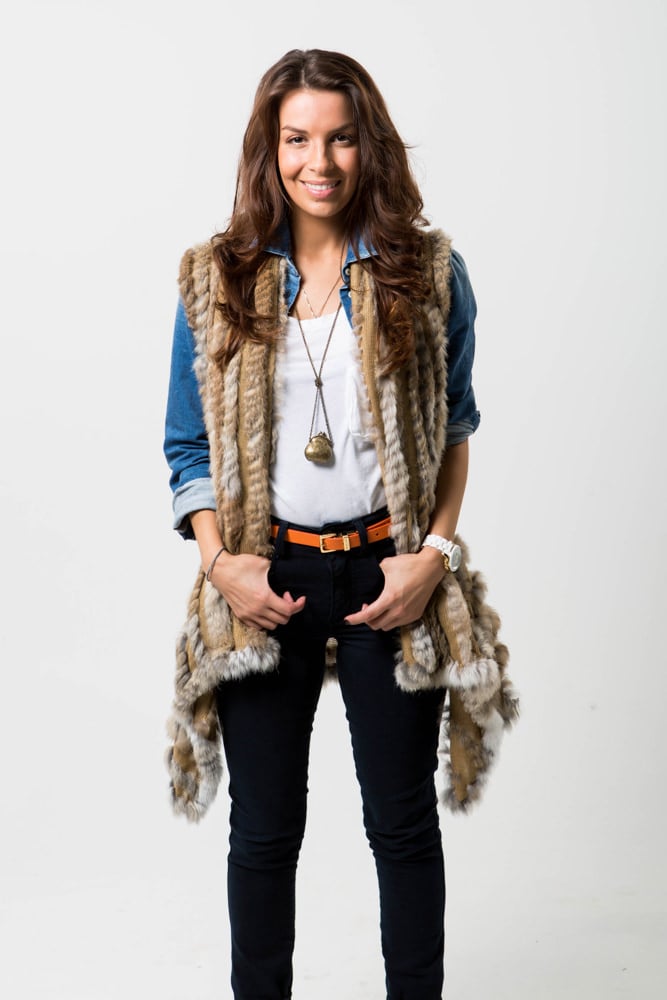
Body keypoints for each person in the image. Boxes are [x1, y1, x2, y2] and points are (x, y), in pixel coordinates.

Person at [164, 48, 517, 1000]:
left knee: (399, 824)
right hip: (263, 578)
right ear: (268, 148)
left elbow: (454, 429)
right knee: (265, 831)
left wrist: (431, 561)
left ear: (369, 146)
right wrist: (222, 565)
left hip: (383, 575)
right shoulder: (216, 278)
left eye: (340, 137)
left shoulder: (427, 272)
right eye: (296, 139)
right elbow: (186, 449)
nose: (317, 161)